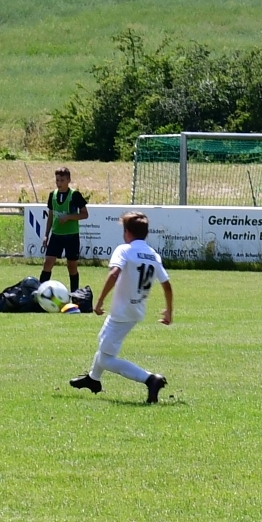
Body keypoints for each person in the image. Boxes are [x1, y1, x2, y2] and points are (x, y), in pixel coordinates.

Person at [69, 211, 172, 404]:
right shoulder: (153, 255)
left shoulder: (124, 249)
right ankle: (93, 379)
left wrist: (99, 301)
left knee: (107, 359)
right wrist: (169, 311)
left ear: (127, 233)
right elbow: (166, 285)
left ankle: (150, 379)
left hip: (122, 311)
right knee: (103, 343)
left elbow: (114, 273)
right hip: (136, 310)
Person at [40, 167, 89, 293]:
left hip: (71, 236)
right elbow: (50, 216)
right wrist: (46, 235)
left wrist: (68, 217)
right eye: (57, 180)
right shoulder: (53, 195)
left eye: (62, 180)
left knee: (72, 266)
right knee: (48, 263)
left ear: (68, 180)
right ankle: (41, 292)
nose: (59, 183)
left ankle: (75, 294)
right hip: (56, 235)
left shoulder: (75, 195)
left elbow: (84, 214)